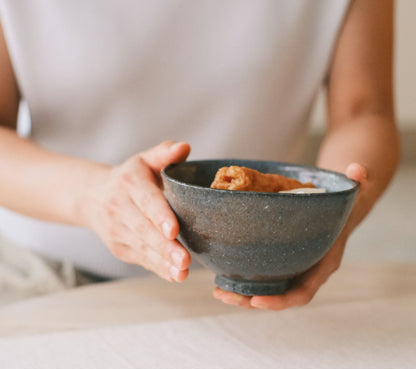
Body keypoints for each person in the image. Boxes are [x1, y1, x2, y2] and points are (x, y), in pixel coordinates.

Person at [0, 0, 400, 309]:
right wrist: (92, 196)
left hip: (255, 276)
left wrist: (332, 214)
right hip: (46, 270)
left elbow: (365, 112)